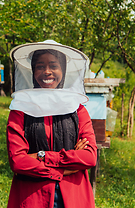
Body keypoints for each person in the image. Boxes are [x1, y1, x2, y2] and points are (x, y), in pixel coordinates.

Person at [6, 41, 97, 208]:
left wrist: (42, 156)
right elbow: (17, 161)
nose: (47, 71)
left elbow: (89, 157)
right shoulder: (20, 109)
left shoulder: (77, 109)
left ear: (62, 70)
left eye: (53, 66)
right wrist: (62, 170)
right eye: (40, 66)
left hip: (74, 196)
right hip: (32, 197)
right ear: (33, 72)